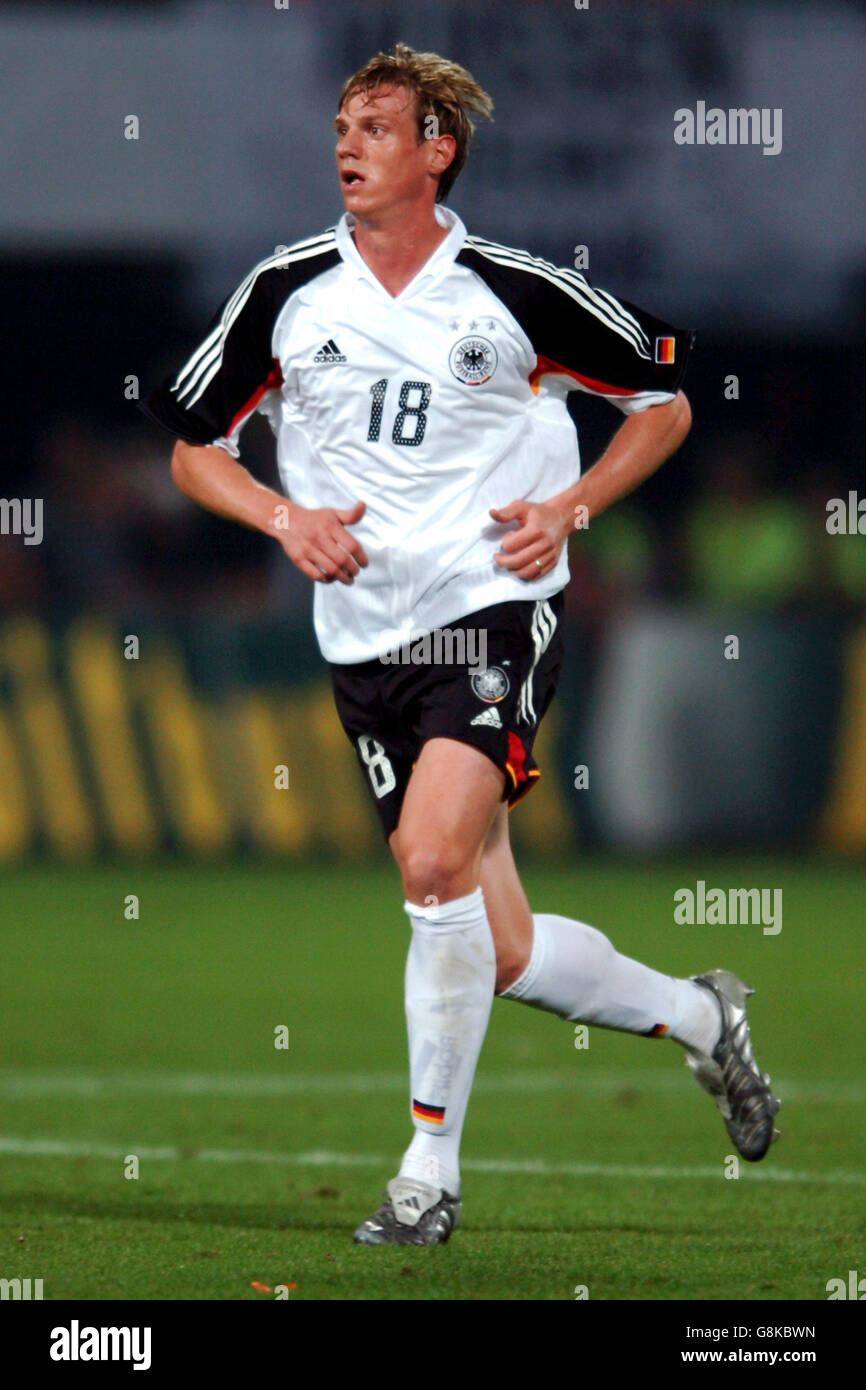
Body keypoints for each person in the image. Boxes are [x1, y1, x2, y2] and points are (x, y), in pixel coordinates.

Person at [143, 42, 780, 1247]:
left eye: (376, 127)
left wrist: (568, 509)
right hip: (361, 640)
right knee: (492, 947)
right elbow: (190, 446)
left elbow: (666, 400)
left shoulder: (515, 290)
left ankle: (425, 1177)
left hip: (491, 605)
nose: (346, 144)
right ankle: (704, 1019)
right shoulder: (287, 292)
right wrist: (282, 516)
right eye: (341, 123)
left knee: (430, 863)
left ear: (437, 151)